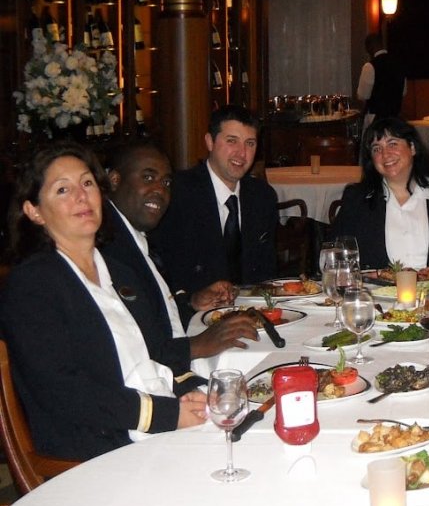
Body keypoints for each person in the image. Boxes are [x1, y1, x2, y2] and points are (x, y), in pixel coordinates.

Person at [0, 142, 208, 461]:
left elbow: (156, 351)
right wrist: (168, 415)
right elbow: (65, 392)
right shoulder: (32, 285)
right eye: (63, 189)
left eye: (87, 183)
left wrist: (195, 392)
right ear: (34, 211)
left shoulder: (119, 272)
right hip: (97, 454)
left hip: (156, 429)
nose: (81, 196)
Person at [103, 141, 258, 360]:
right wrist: (195, 346)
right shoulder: (108, 248)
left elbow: (152, 314)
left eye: (166, 182)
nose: (160, 190)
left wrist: (191, 302)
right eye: (148, 178)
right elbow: (127, 351)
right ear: (115, 180)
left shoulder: (131, 236)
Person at [150, 105, 278, 317]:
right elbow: (162, 271)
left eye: (250, 143)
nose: (241, 153)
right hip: (192, 315)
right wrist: (191, 300)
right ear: (210, 142)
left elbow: (266, 273)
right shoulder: (178, 194)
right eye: (231, 141)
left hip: (253, 314)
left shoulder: (262, 196)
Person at [330, 116, 429, 269]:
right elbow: (334, 255)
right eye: (376, 149)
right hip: (378, 289)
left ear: (412, 147)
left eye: (392, 144)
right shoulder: (357, 200)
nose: (385, 154)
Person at [356, 32, 406, 125]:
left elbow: (363, 96)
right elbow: (403, 92)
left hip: (376, 120)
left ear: (369, 47)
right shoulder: (399, 65)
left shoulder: (370, 66)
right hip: (395, 120)